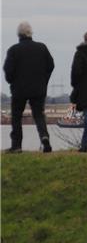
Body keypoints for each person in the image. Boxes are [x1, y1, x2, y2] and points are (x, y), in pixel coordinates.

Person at [3, 21, 55, 153]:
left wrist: (12, 82)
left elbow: (8, 70)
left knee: (16, 116)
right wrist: (44, 80)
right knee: (38, 114)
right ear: (31, 33)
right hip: (38, 88)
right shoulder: (42, 48)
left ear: (19, 35)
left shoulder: (14, 50)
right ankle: (44, 137)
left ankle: (17, 145)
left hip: (19, 89)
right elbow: (51, 66)